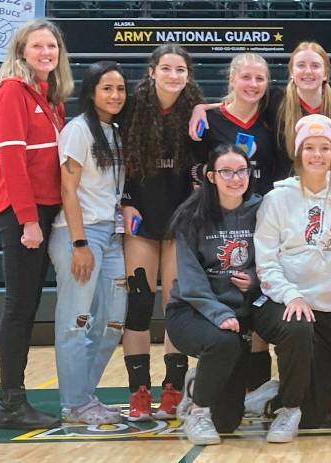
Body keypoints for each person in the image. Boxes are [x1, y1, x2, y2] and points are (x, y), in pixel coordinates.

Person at [166, 144, 311, 444]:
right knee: (224, 342)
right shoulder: (191, 216)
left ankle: (281, 405)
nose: (235, 178)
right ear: (210, 176)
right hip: (193, 311)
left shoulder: (262, 209)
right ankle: (198, 411)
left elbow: (275, 258)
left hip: (242, 310)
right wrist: (219, 314)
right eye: (226, 172)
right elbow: (191, 283)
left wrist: (256, 278)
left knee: (228, 421)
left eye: (242, 171)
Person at [0, 18, 73, 430]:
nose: (46, 53)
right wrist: (27, 221)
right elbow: (13, 162)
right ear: (21, 52)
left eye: (52, 47)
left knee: (27, 306)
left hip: (47, 209)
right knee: (19, 309)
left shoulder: (50, 97)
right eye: (37, 46)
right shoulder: (11, 92)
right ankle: (10, 403)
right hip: (24, 214)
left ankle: (14, 400)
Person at [253, 114, 331, 428]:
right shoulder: (277, 198)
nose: (317, 155)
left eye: (325, 148)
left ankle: (275, 395)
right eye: (310, 148)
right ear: (298, 153)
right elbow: (267, 263)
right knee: (298, 327)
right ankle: (286, 404)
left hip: (329, 306)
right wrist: (291, 296)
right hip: (281, 303)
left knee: (313, 418)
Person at [120, 43, 205, 420]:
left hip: (179, 222)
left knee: (175, 307)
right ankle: (138, 391)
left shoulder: (195, 112)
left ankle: (173, 387)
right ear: (152, 70)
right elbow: (115, 166)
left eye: (181, 70)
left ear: (188, 75)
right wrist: (123, 201)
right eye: (167, 68)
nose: (174, 75)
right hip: (140, 220)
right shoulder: (131, 110)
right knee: (138, 305)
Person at [48, 61, 127, 425]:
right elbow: (68, 188)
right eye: (107, 88)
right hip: (78, 233)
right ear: (92, 91)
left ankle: (83, 397)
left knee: (113, 321)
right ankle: (75, 403)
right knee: (75, 321)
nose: (115, 95)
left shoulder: (116, 131)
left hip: (111, 235)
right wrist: (79, 242)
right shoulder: (78, 130)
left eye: (120, 89)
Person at [194, 53, 286, 196]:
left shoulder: (272, 119)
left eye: (260, 79)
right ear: (232, 79)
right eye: (246, 77)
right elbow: (194, 169)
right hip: (222, 210)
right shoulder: (209, 120)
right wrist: (215, 171)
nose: (253, 84)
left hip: (264, 208)